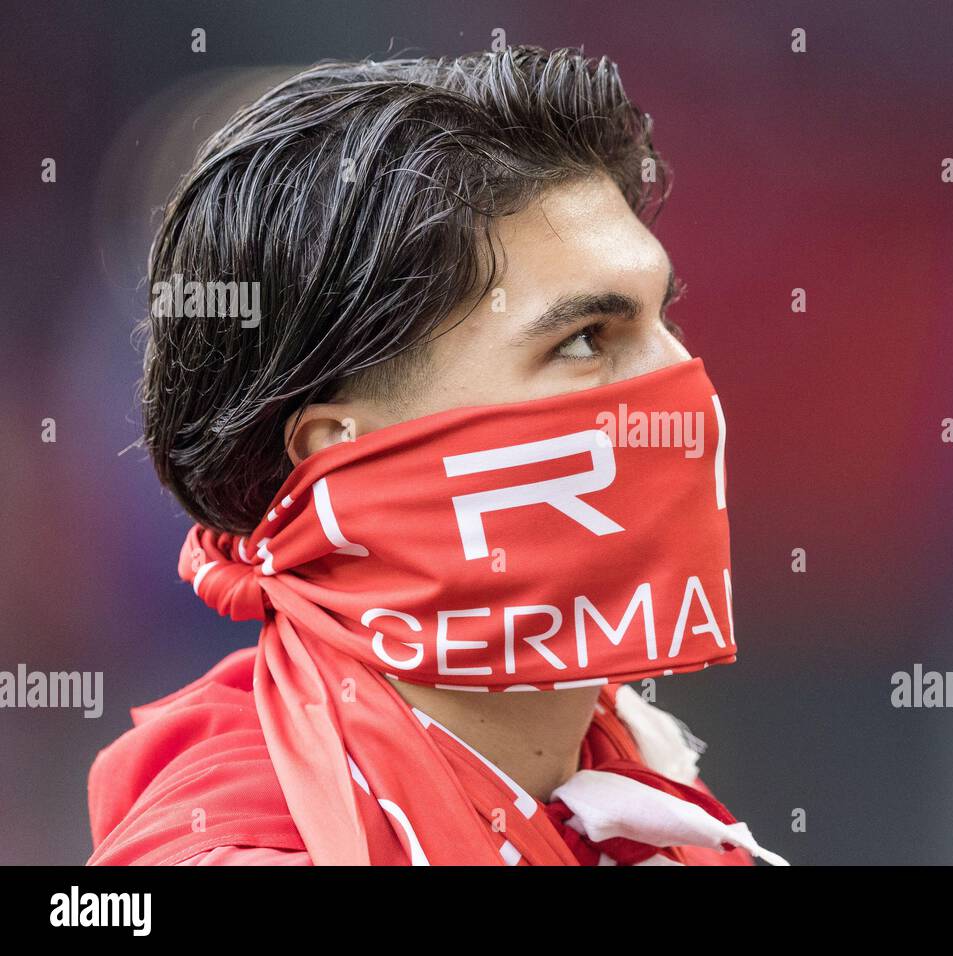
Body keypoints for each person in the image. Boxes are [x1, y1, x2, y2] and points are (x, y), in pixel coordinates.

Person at [86, 45, 786, 866]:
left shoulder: (648, 805)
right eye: (587, 339)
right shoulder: (235, 849)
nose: (681, 383)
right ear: (342, 459)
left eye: (661, 318)